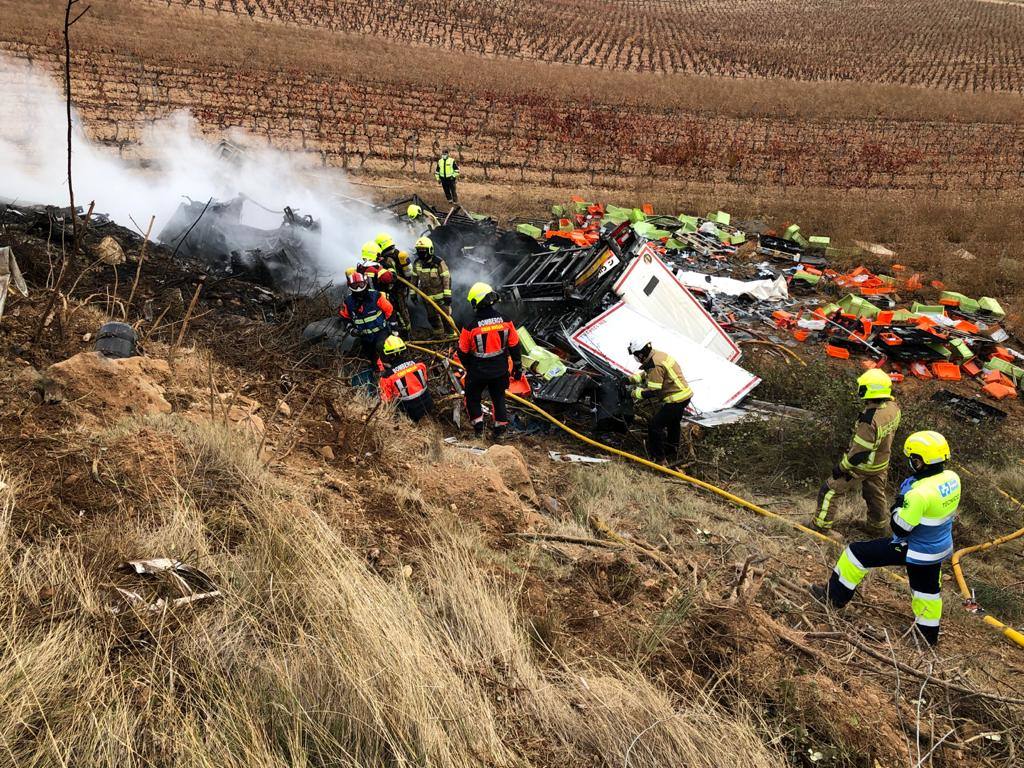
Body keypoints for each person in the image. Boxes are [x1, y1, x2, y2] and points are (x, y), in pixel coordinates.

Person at [811, 431, 960, 647]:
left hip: (915, 548)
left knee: (855, 554)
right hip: (940, 546)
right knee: (927, 591)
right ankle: (927, 636)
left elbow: (900, 527)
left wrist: (899, 504)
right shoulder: (953, 479)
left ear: (918, 462)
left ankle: (833, 597)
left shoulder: (918, 494)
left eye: (912, 459)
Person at [813, 368, 902, 535]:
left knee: (829, 490)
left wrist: (841, 468)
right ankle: (877, 529)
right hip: (881, 464)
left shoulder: (869, 421)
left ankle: (820, 527)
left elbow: (859, 453)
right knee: (875, 497)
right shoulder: (893, 408)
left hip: (862, 466)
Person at [457, 282, 522, 438]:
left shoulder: (470, 325)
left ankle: (479, 430)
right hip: (500, 369)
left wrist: (469, 367)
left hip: (478, 371)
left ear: (476, 302)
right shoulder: (505, 320)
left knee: (472, 398)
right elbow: (514, 345)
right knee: (498, 397)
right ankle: (499, 432)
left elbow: (462, 352)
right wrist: (518, 366)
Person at [626, 339, 693, 464]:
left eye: (635, 355)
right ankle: (672, 450)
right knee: (673, 423)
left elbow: (653, 392)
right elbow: (647, 373)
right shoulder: (657, 355)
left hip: (676, 399)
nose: (636, 358)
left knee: (655, 426)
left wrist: (633, 393)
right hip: (684, 395)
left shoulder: (654, 365)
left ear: (641, 354)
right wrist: (629, 379)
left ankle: (659, 459)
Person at [338, 271, 394, 363]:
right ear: (350, 286)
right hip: (364, 336)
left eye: (360, 284)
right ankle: (378, 369)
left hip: (381, 332)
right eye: (355, 285)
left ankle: (390, 366)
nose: (358, 288)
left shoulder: (376, 296)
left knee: (382, 348)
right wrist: (351, 329)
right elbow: (344, 318)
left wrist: (393, 328)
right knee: (371, 356)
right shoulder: (348, 302)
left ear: (365, 283)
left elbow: (390, 311)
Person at [379, 334, 434, 422]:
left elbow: (386, 402)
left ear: (386, 355)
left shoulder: (387, 377)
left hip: (409, 414)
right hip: (428, 405)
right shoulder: (420, 364)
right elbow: (425, 381)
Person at [411, 236, 452, 336]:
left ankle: (451, 335)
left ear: (430, 250)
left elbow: (446, 278)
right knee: (432, 318)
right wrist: (413, 293)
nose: (421, 253)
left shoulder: (438, 263)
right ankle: (439, 335)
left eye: (423, 250)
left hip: (441, 298)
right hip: (427, 298)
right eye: (419, 250)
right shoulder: (417, 263)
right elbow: (414, 279)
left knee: (446, 317)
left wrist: (447, 295)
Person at [375, 234, 411, 333]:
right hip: (401, 287)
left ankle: (406, 332)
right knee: (402, 309)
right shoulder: (396, 252)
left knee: (399, 309)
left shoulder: (388, 259)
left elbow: (392, 277)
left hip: (396, 289)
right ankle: (405, 329)